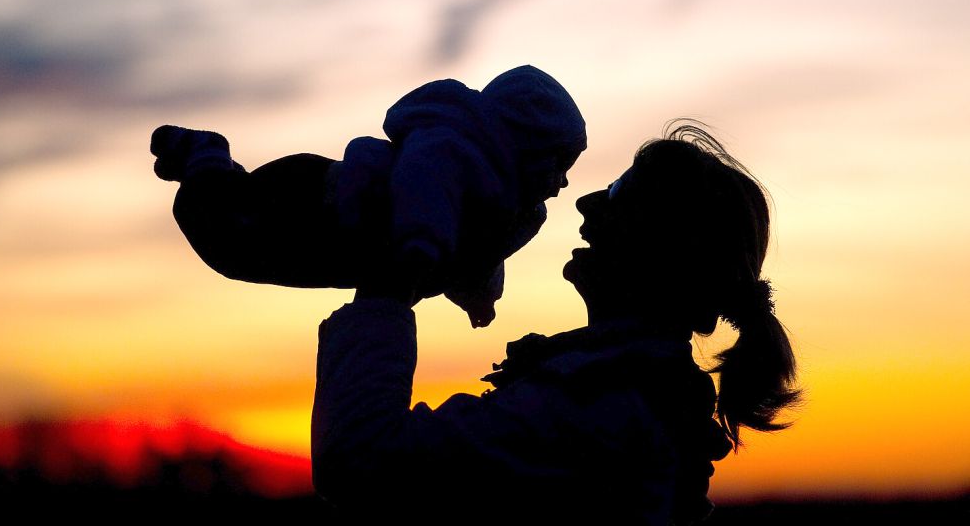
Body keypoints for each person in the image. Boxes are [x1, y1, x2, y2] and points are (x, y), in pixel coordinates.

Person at [310, 123, 801, 524]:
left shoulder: (606, 406)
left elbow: (363, 461)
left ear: (668, 248)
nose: (587, 202)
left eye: (620, 192)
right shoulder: (627, 394)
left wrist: (387, 289)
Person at [150, 65, 586, 328]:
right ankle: (205, 158)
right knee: (228, 241)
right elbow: (426, 186)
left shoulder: (506, 208)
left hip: (338, 237)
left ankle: (213, 172)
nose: (562, 183)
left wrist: (480, 296)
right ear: (521, 144)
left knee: (240, 243)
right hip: (312, 201)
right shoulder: (453, 151)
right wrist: (418, 247)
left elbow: (476, 254)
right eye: (557, 166)